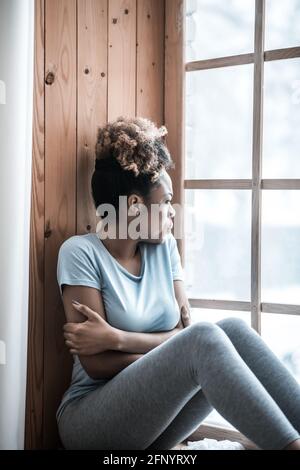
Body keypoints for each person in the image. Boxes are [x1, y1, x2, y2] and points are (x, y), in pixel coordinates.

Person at [56, 116, 300, 450]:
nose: (174, 212)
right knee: (205, 339)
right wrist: (172, 347)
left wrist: (118, 338)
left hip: (158, 419)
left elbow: (184, 340)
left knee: (232, 330)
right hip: (94, 419)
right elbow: (97, 365)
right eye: (167, 201)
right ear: (134, 205)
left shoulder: (164, 247)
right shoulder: (79, 253)